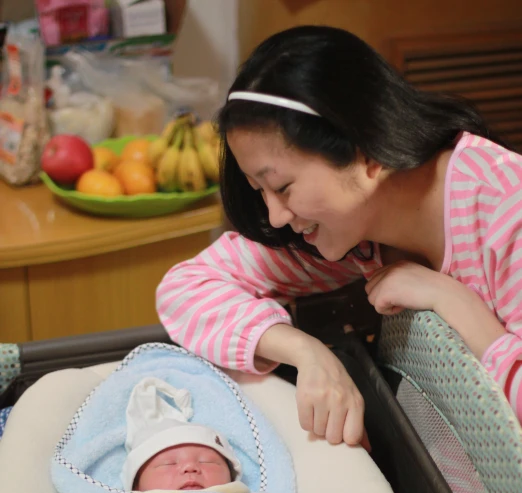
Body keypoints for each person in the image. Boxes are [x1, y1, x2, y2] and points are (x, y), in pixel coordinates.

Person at [156, 25, 522, 445]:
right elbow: (185, 289)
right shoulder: (351, 238)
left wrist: (454, 301)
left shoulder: (505, 209)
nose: (275, 217)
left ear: (366, 152)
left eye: (283, 187)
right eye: (261, 193)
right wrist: (307, 352)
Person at [120, 376, 250, 493]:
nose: (190, 467)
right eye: (168, 464)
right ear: (136, 485)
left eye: (207, 461)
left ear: (231, 475)